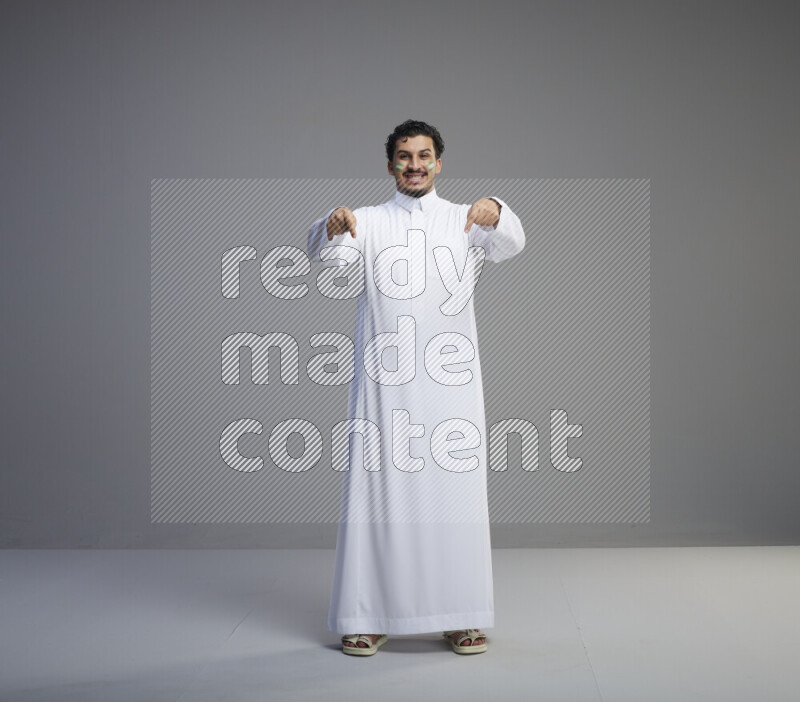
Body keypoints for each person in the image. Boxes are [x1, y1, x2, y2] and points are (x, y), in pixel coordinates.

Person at [306, 120, 525, 655]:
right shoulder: (369, 221)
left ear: (439, 163)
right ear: (390, 166)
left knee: (454, 496)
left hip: (451, 384)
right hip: (386, 384)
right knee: (379, 497)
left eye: (424, 155)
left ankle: (461, 615)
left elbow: (512, 243)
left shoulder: (464, 220)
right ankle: (368, 615)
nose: (415, 164)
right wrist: (331, 226)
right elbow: (326, 260)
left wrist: (497, 207)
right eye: (404, 156)